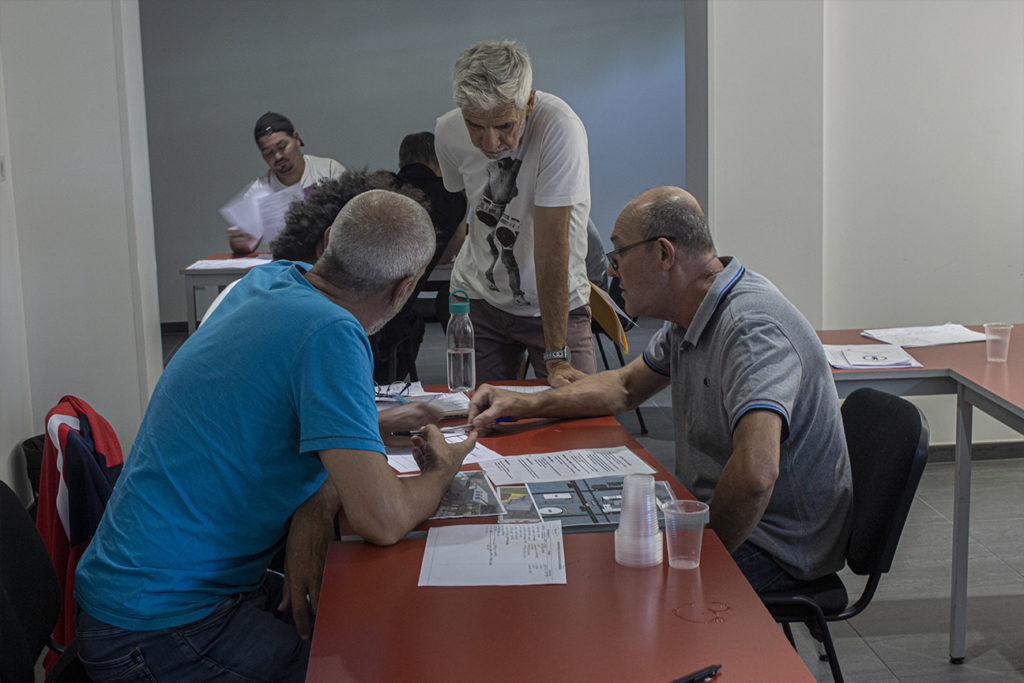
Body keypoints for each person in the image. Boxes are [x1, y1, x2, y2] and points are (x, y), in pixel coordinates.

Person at [75, 190, 476, 682]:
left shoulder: (266, 280)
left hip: (138, 593)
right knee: (369, 661)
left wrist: (360, 439)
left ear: (328, 242)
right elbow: (383, 519)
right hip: (160, 627)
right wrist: (442, 470)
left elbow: (259, 417)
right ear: (404, 288)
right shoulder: (332, 331)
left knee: (348, 621)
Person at [470, 186, 853, 592]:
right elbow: (624, 387)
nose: (612, 271)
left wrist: (694, 561)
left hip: (775, 546)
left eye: (618, 254)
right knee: (596, 557)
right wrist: (523, 403)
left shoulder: (751, 328)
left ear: (664, 254)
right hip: (718, 517)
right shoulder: (692, 314)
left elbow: (755, 475)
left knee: (615, 586)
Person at [435, 40, 596, 386]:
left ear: (529, 102)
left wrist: (557, 357)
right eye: (475, 126)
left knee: (579, 409)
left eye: (505, 126)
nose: (490, 143)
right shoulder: (446, 131)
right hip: (479, 296)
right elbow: (467, 206)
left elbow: (551, 245)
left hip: (554, 303)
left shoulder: (559, 126)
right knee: (477, 409)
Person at [227, 111, 345, 254]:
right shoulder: (259, 191)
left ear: (296, 138)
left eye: (282, 147)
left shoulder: (330, 171)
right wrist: (240, 242)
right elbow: (247, 245)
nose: (278, 156)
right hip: (286, 262)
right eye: (268, 153)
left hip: (330, 258)